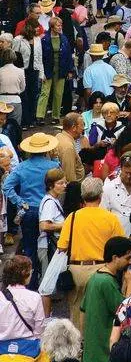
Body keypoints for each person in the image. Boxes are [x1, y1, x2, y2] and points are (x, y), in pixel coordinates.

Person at [57, 176, 126, 330]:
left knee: (76, 310)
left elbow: (62, 246)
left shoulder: (72, 217)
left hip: (76, 271)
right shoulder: (110, 218)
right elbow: (121, 246)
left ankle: (79, 345)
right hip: (102, 270)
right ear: (100, 196)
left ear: (82, 196)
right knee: (101, 311)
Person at [3, 132, 59, 272]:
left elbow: (7, 186)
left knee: (29, 247)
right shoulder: (53, 166)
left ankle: (30, 280)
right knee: (51, 245)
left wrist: (19, 201)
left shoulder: (22, 167)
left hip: (28, 210)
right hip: (47, 209)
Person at [36, 16, 73, 123]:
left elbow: (68, 55)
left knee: (58, 93)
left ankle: (55, 116)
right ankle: (40, 116)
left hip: (61, 68)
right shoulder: (44, 39)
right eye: (58, 25)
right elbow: (40, 56)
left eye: (61, 25)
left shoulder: (64, 38)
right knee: (45, 92)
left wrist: (70, 70)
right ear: (52, 27)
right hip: (48, 68)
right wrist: (41, 71)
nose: (60, 27)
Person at [37, 167, 66, 291]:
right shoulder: (49, 202)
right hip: (47, 245)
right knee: (47, 283)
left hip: (49, 245)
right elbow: (44, 225)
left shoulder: (53, 199)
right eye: (60, 183)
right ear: (50, 185)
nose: (64, 185)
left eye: (65, 182)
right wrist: (64, 225)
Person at [54, 113, 87, 183]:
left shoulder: (59, 136)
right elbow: (69, 177)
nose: (83, 128)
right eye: (82, 125)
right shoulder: (68, 147)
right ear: (74, 127)